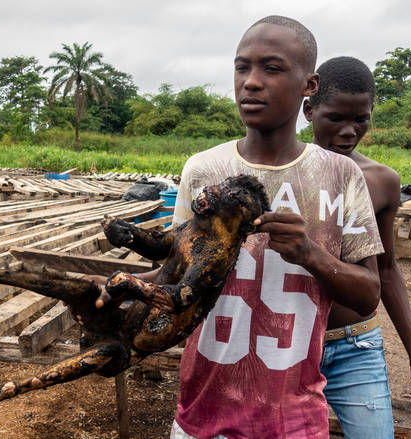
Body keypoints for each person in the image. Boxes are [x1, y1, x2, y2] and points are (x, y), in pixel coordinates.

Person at [149, 16, 383, 439]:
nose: (251, 83)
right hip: (202, 416)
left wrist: (308, 253)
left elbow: (369, 296)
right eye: (242, 68)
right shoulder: (204, 169)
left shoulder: (340, 176)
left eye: (271, 69)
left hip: (293, 421)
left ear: (309, 85)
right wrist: (118, 286)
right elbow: (175, 272)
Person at [302, 56, 411, 438]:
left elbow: (386, 268)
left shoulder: (381, 181)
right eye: (336, 118)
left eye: (360, 119)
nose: (350, 131)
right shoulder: (287, 176)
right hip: (292, 340)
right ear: (309, 109)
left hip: (356, 343)